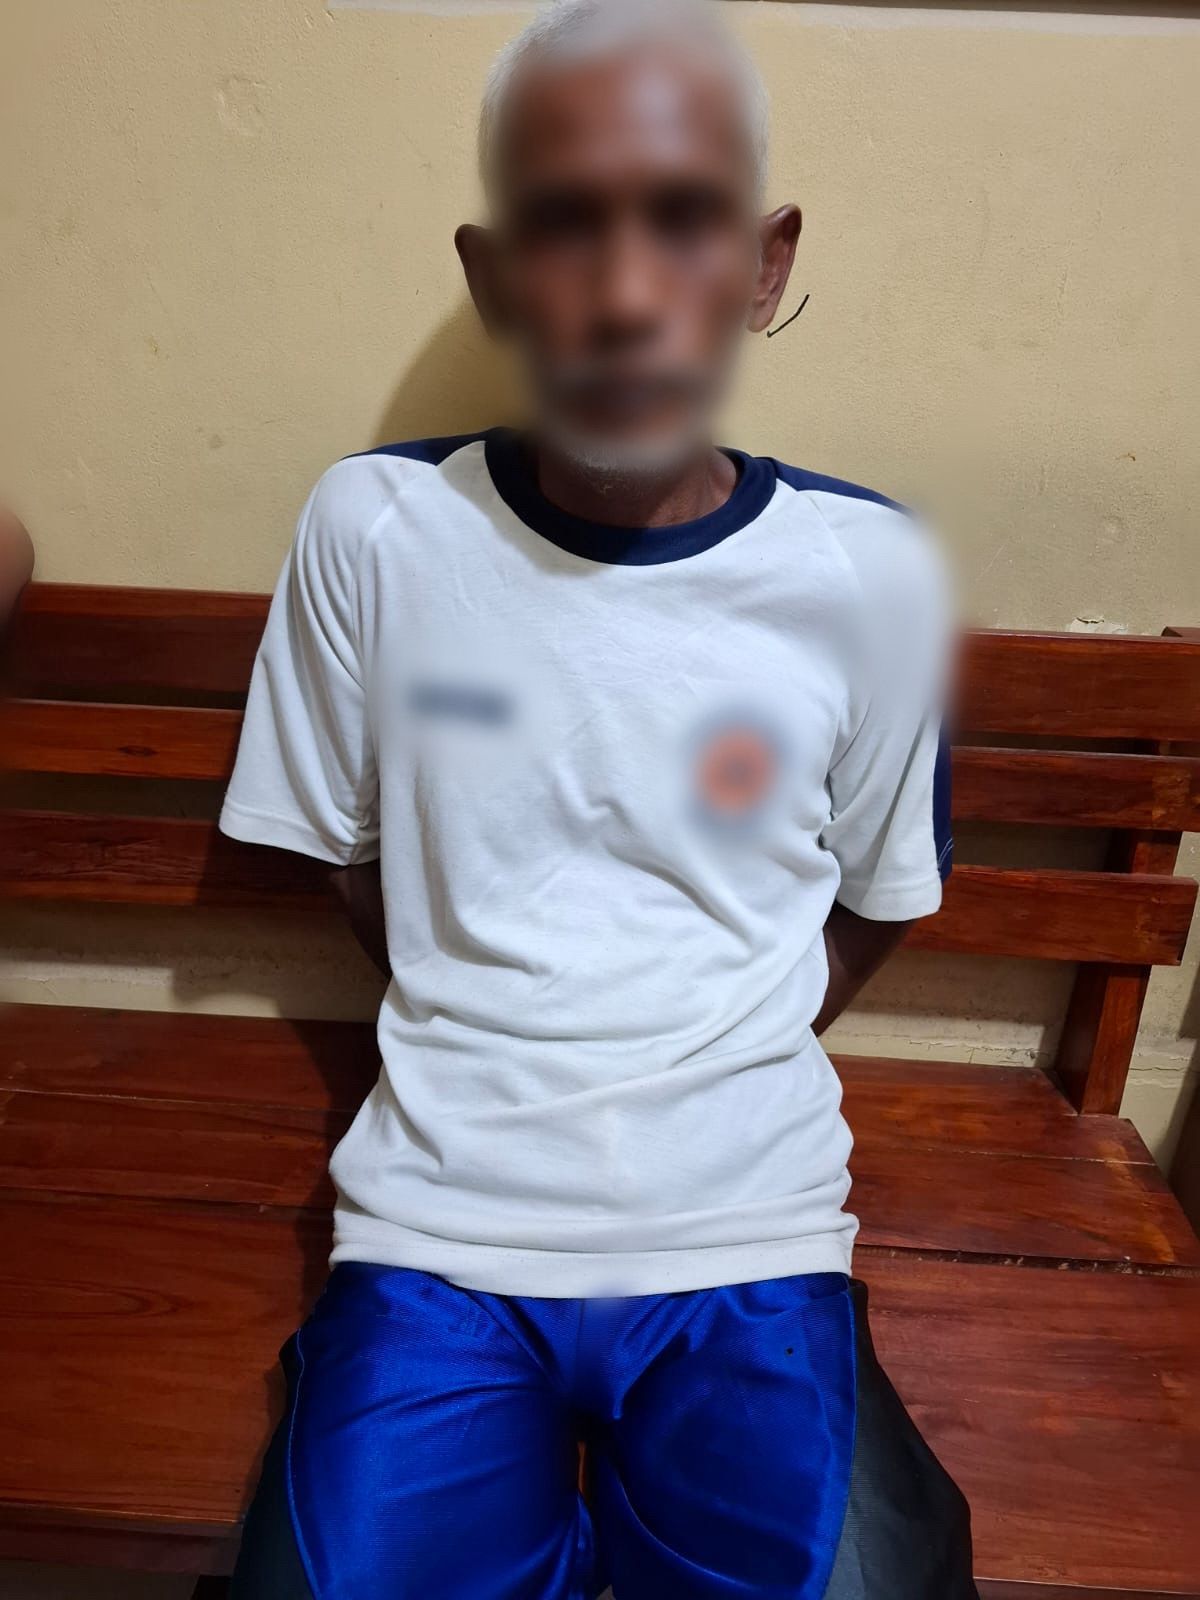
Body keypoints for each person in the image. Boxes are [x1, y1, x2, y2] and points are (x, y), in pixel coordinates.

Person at [223, 2, 973, 1595]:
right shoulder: (376, 532)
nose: (628, 297)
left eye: (685, 221)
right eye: (568, 227)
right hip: (437, 1238)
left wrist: (697, 1040)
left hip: (751, 1240)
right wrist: (505, 1014)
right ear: (495, 275)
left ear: (764, 263)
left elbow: (875, 897)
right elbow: (348, 855)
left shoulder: (868, 575)